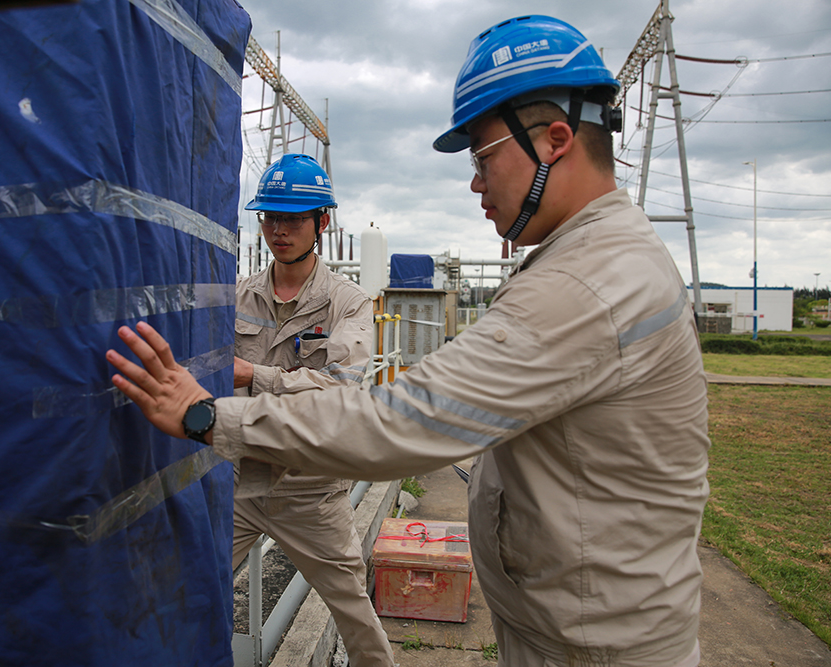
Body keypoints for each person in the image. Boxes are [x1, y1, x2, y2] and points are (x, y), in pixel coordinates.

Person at [106, 15, 710, 667]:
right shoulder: (591, 260)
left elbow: (397, 418)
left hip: (595, 644)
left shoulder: (588, 283)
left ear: (556, 139)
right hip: (575, 625)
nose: (475, 183)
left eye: (482, 158)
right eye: (270, 220)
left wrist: (205, 413)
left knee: (354, 616)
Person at [232, 154, 392, 666]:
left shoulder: (347, 303)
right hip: (242, 480)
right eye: (271, 218)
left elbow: (339, 389)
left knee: (354, 615)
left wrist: (252, 375)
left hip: (310, 489)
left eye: (294, 219)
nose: (279, 230)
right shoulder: (239, 295)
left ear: (322, 222)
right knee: (187, 586)